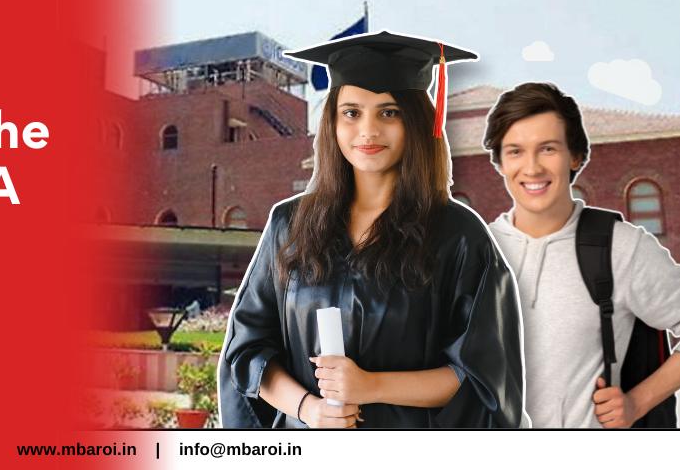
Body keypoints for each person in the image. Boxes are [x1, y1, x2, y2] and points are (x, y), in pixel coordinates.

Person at [218, 31, 525, 428]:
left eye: (389, 112)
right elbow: (249, 351)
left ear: (416, 123)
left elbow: (484, 374)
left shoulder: (457, 234)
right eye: (352, 112)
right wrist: (309, 409)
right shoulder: (289, 226)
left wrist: (371, 386)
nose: (368, 131)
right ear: (332, 121)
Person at [483, 82, 680, 428]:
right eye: (515, 151)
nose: (531, 168)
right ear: (499, 161)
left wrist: (637, 402)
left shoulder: (620, 248)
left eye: (548, 149)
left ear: (575, 156)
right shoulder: (474, 249)